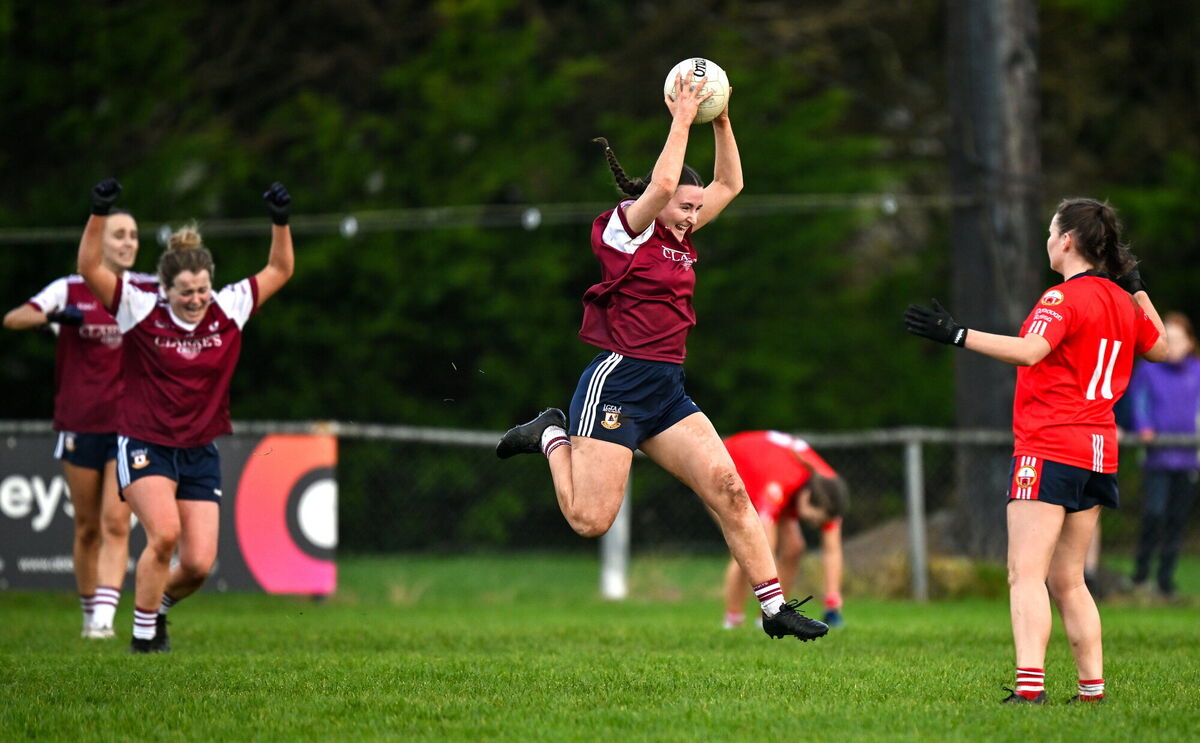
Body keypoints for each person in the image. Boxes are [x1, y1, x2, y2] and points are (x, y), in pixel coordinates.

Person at [496, 72, 827, 641]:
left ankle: (774, 610)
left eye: (697, 209)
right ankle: (552, 434)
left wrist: (720, 119)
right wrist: (682, 115)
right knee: (590, 520)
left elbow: (731, 182)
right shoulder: (626, 230)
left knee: (729, 489)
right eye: (683, 207)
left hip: (666, 391)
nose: (692, 215)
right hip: (618, 383)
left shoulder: (682, 235)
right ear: (654, 200)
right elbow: (667, 178)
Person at [904, 198, 1167, 704]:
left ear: (1067, 240)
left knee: (1025, 573)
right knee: (1069, 578)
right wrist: (1135, 288)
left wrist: (956, 334)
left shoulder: (1060, 299)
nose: (1048, 240)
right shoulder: (1119, 300)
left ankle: (1029, 690)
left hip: (1050, 444)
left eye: (1052, 232)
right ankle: (1092, 690)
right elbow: (1160, 348)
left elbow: (1030, 351)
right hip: (1098, 451)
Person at [76, 177, 294, 653]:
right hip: (145, 441)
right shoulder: (138, 308)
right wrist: (98, 212)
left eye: (201, 289)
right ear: (165, 288)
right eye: (185, 292)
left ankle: (154, 612)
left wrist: (280, 220)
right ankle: (143, 639)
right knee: (166, 534)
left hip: (199, 447)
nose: (195, 300)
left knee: (198, 564)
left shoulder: (229, 307)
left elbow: (281, 267)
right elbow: (89, 266)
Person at [4, 210, 155, 639]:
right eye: (119, 235)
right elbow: (14, 318)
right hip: (79, 423)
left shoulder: (146, 288)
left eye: (134, 235)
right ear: (97, 242)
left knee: (114, 520)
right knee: (87, 526)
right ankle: (91, 613)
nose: (128, 242)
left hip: (130, 425)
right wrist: (54, 316)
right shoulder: (69, 289)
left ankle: (104, 623)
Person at [719, 431, 849, 630]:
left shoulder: (829, 489)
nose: (814, 525)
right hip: (723, 469)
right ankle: (733, 620)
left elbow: (832, 550)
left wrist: (832, 603)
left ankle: (771, 618)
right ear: (805, 498)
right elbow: (763, 546)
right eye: (813, 519)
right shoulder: (779, 484)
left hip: (766, 476)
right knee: (748, 549)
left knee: (794, 548)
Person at [1127, 311, 1200, 599]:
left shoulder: (1196, 370)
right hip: (1156, 456)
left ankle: (1165, 580)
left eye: (1178, 339)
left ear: (1189, 343)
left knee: (1176, 518)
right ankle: (1140, 574)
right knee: (1154, 513)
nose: (1172, 345)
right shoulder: (1149, 369)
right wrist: (1144, 427)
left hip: (1188, 458)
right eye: (1166, 338)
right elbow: (1138, 401)